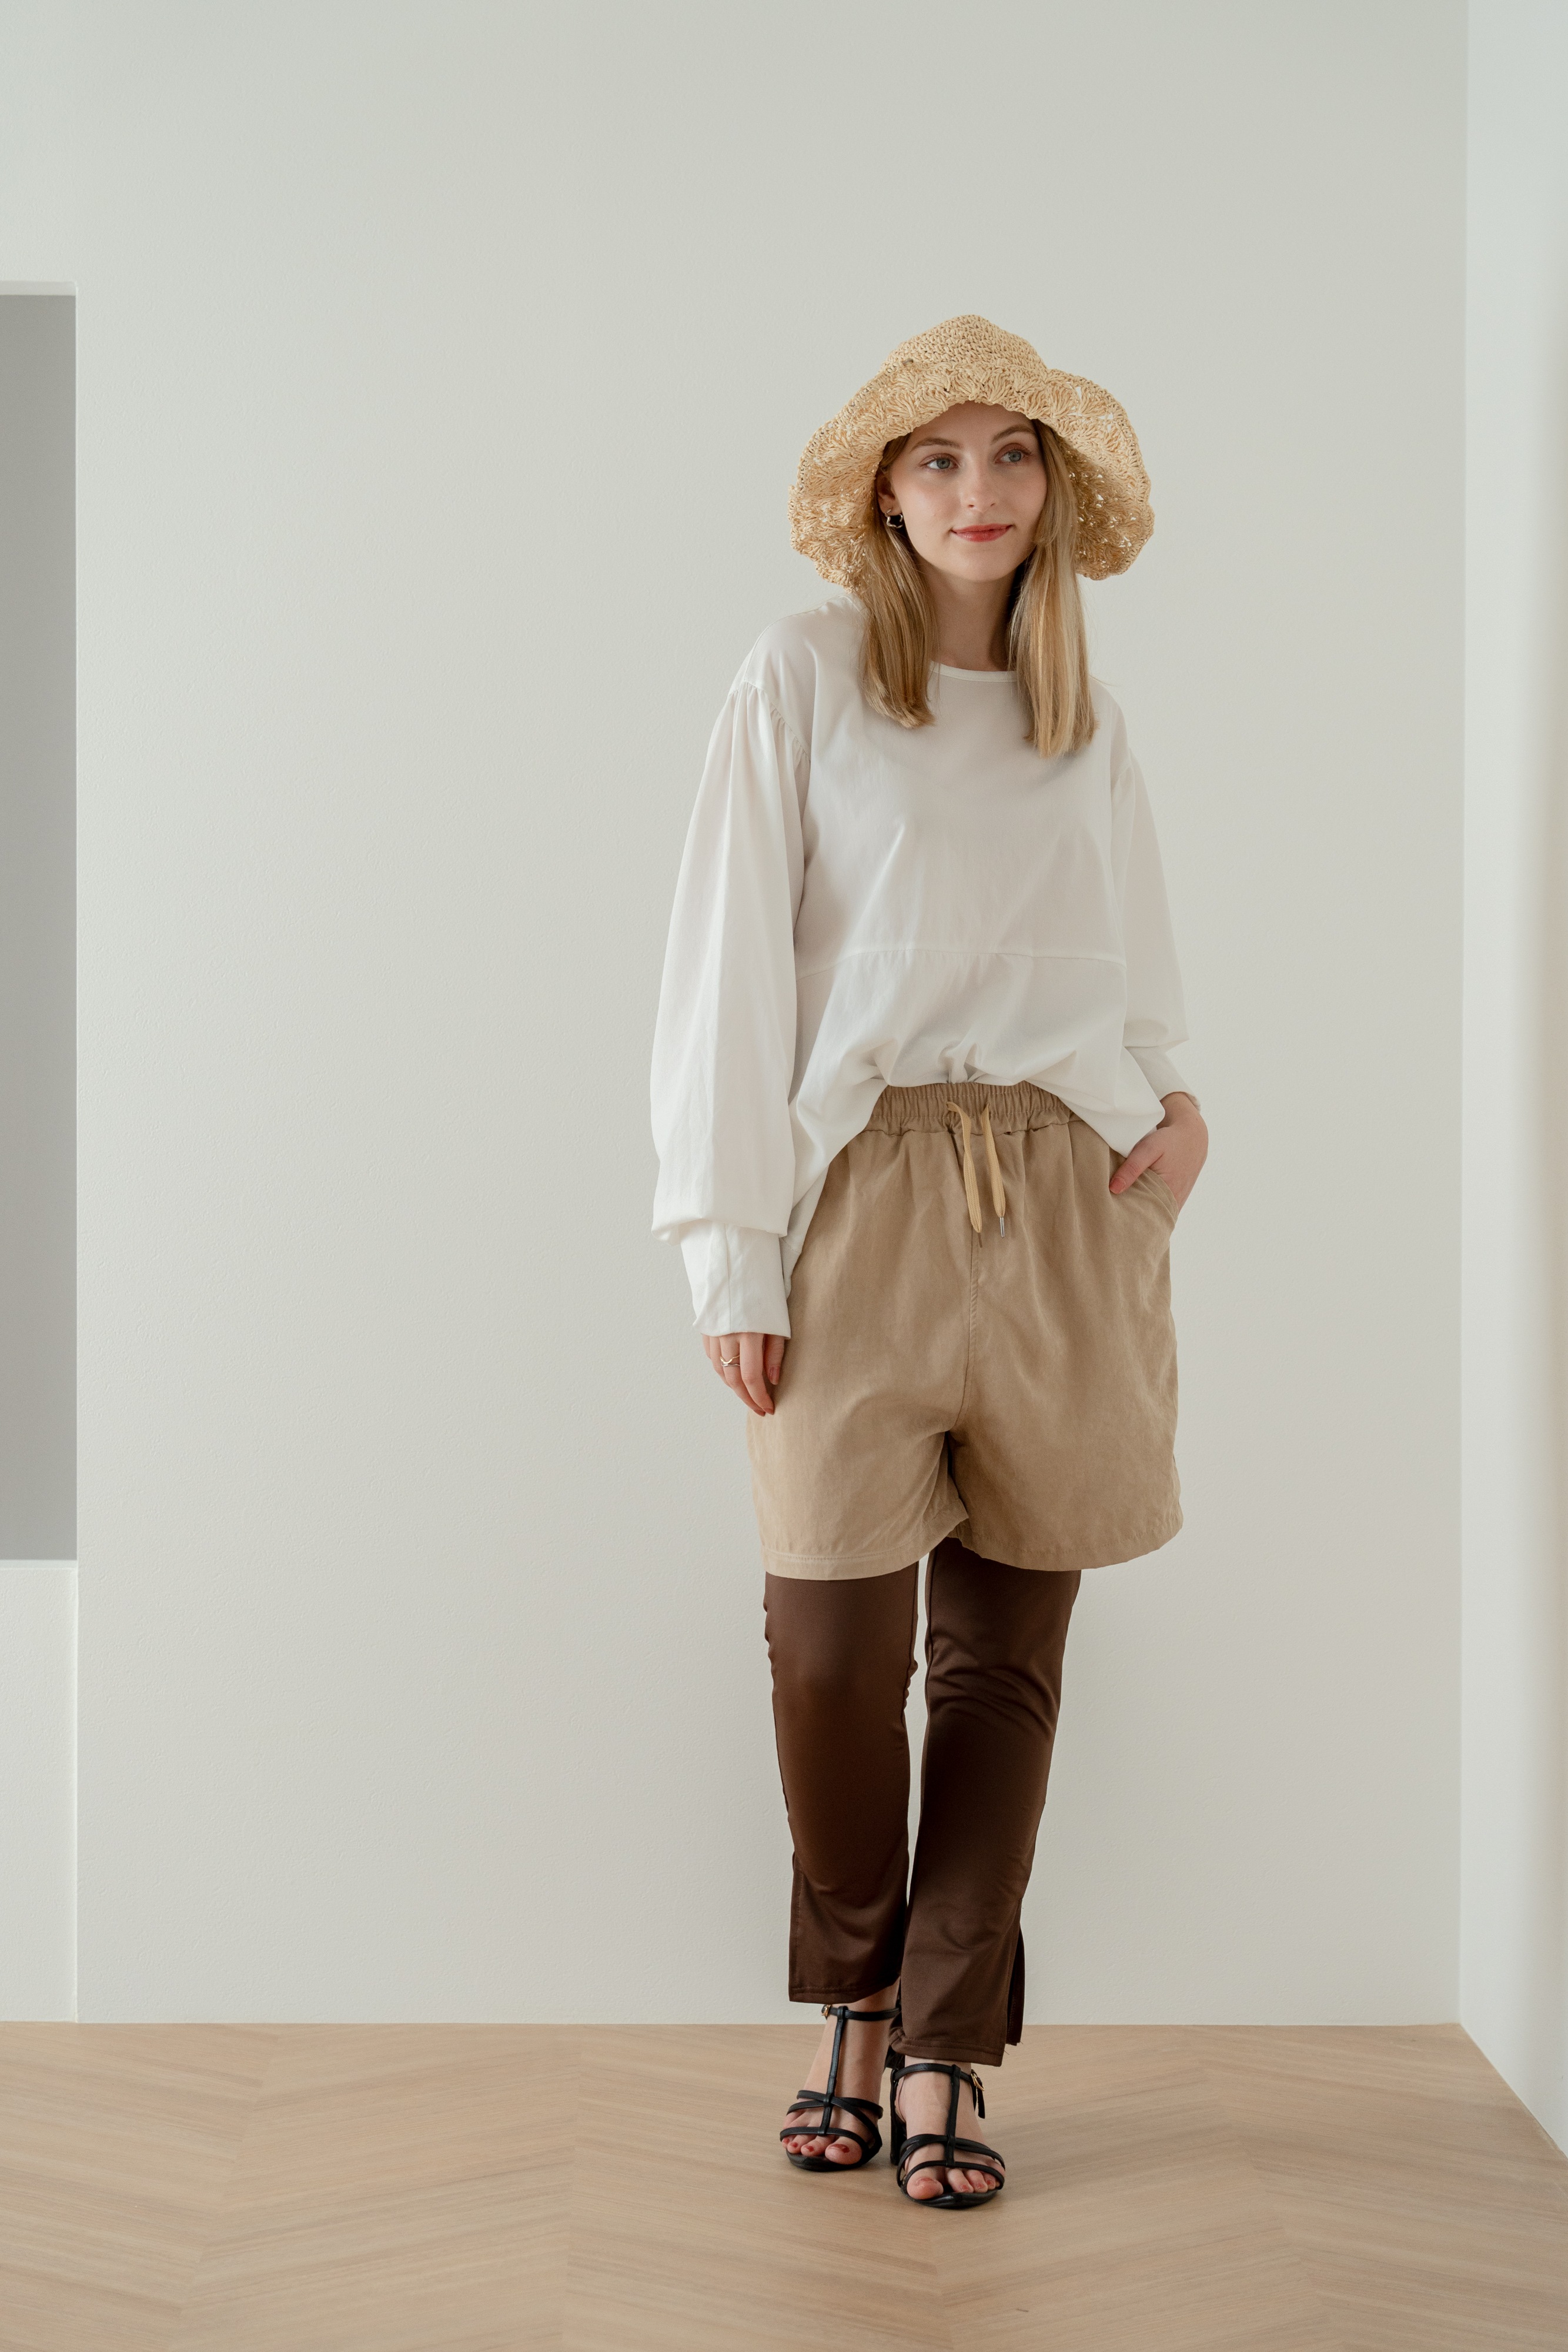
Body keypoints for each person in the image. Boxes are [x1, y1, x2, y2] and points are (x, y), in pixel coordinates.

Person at [650, 315, 1206, 2208]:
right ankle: (856, 1997)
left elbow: (1133, 967)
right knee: (827, 1648)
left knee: (1002, 1662)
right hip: (860, 1195)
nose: (979, 491)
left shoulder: (1084, 717)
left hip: (1064, 1195)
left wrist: (1173, 1119)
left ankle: (946, 2049)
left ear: (1052, 488)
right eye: (938, 459)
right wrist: (732, 1249)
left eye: (1012, 455)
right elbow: (724, 970)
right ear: (884, 494)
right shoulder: (802, 675)